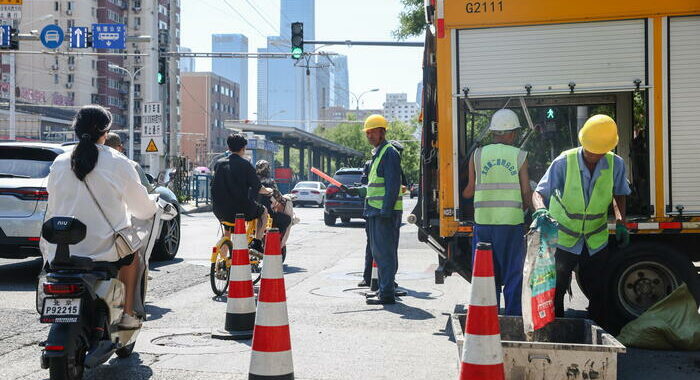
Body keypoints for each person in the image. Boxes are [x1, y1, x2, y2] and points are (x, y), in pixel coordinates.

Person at [41, 105, 158, 329]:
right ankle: (127, 314)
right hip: (103, 251)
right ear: (105, 133)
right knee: (133, 256)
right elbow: (142, 210)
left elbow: (53, 202)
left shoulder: (60, 162)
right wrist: (154, 205)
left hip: (60, 250)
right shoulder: (119, 162)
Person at [532, 114, 631, 321]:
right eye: (589, 151)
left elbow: (619, 193)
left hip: (595, 239)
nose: (593, 156)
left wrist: (621, 221)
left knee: (598, 288)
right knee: (556, 290)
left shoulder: (616, 164)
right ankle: (556, 330)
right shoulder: (564, 162)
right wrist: (541, 211)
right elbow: (538, 193)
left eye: (599, 152)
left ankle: (597, 331)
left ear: (608, 149)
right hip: (564, 238)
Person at [462, 109, 532, 315]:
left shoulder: (478, 155)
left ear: (494, 132)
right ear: (511, 133)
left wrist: (458, 196)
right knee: (513, 273)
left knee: (486, 273)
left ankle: (487, 316)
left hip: (483, 224)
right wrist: (531, 211)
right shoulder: (519, 155)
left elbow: (469, 190)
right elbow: (526, 191)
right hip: (511, 224)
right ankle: (512, 316)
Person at [360, 115, 403, 305]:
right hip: (375, 211)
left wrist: (386, 211)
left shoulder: (389, 153)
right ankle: (384, 290)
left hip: (383, 212)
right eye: (367, 132)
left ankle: (386, 293)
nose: (369, 135)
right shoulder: (378, 153)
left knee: (384, 254)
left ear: (382, 132)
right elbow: (375, 185)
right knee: (380, 253)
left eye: (373, 131)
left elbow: (393, 185)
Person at [211, 133, 272, 253]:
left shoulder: (218, 164)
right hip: (241, 210)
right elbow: (258, 188)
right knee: (263, 212)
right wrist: (268, 191)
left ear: (228, 148)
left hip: (219, 209)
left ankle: (223, 261)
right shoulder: (245, 165)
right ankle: (257, 242)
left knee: (227, 229)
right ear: (243, 149)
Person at [255, 160, 292, 246]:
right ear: (267, 170)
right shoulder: (270, 182)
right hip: (266, 213)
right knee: (286, 219)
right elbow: (278, 197)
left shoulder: (253, 180)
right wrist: (284, 200)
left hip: (253, 210)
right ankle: (274, 241)